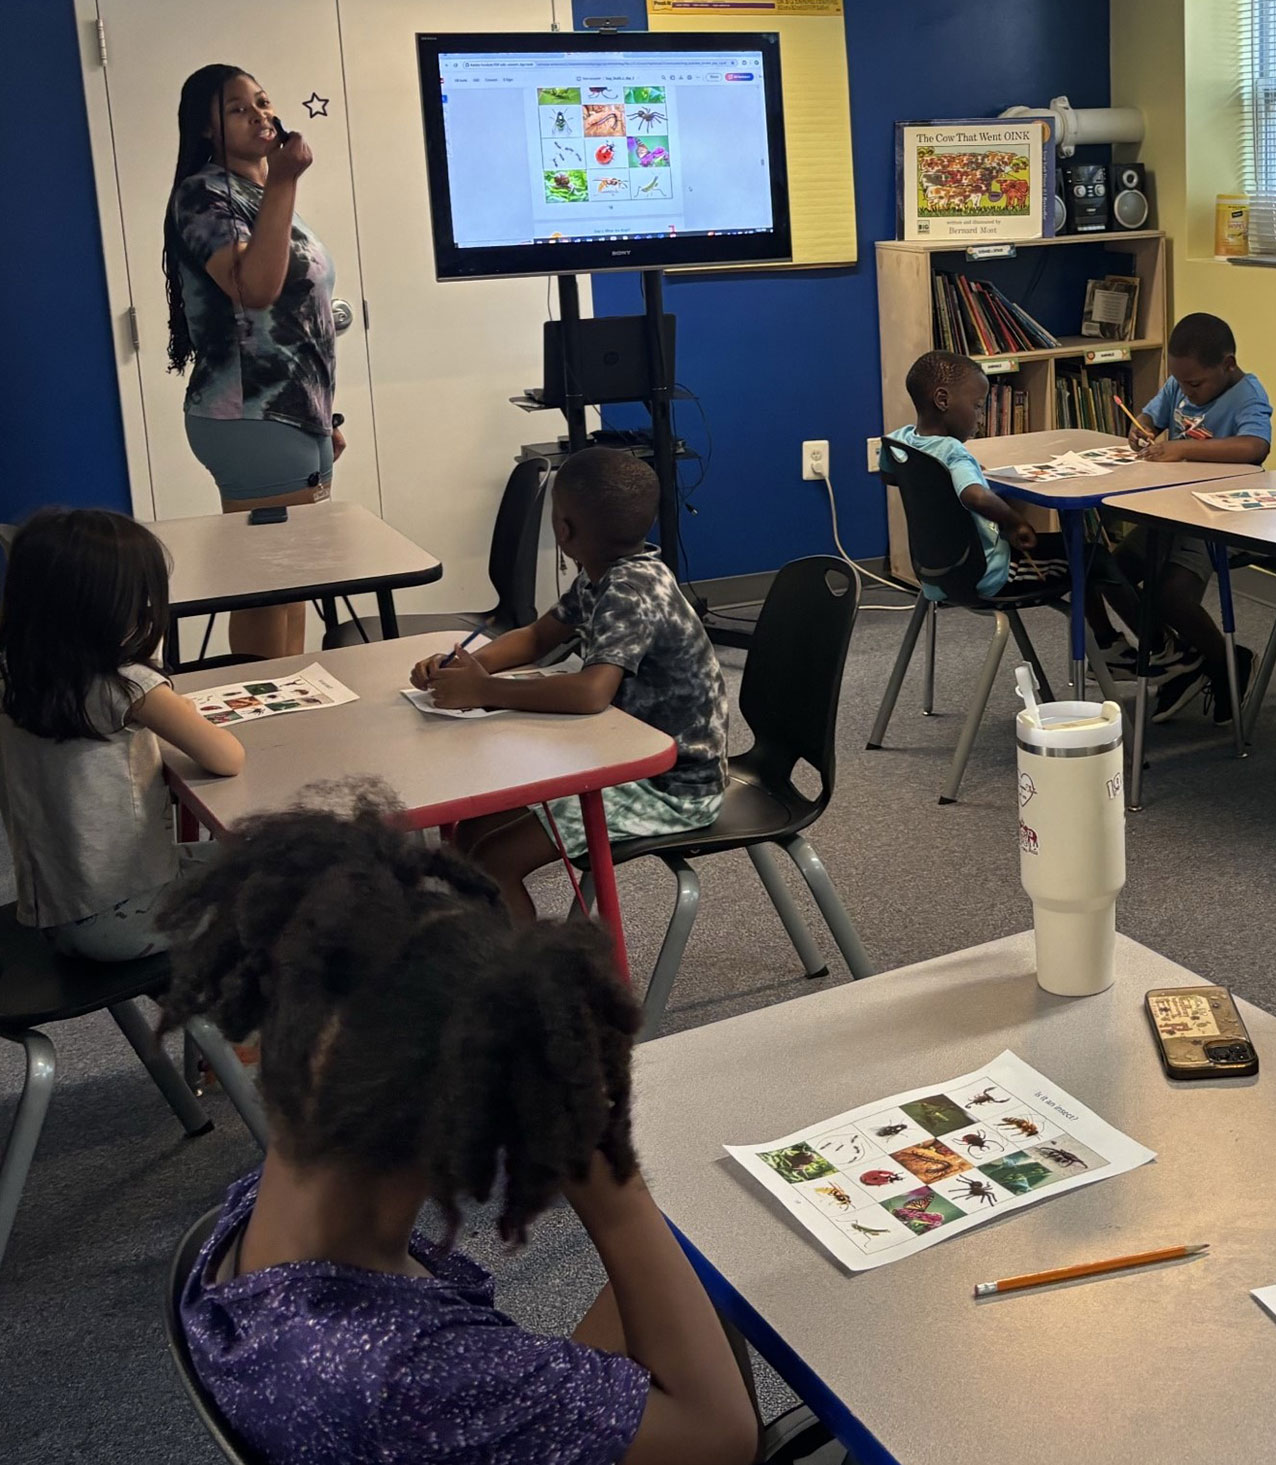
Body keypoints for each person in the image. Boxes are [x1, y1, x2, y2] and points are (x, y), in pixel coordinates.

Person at [162, 794, 758, 1465]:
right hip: (393, 1416)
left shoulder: (266, 1205)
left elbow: (486, 1405)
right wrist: (615, 1196)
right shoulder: (407, 1377)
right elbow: (722, 1437)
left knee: (705, 1256)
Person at [415, 448, 730, 921]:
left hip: (672, 788)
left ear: (564, 531)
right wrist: (462, 667)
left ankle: (525, 988)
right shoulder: (604, 574)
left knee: (490, 863)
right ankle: (488, 962)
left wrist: (485, 691)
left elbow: (591, 692)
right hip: (624, 760)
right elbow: (540, 635)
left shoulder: (630, 589)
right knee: (470, 835)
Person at [0, 509, 244, 960]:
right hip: (125, 916)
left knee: (238, 860)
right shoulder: (126, 685)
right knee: (289, 875)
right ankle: (242, 1019)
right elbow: (226, 756)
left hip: (52, 910)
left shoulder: (16, 674)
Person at [164, 64, 343, 660]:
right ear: (208, 129)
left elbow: (299, 323)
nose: (260, 114)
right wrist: (285, 180)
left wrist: (327, 416)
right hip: (250, 414)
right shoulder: (204, 192)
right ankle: (265, 733)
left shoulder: (255, 196)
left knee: (292, 586)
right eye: (238, 109)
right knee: (268, 589)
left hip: (297, 415)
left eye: (263, 102)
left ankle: (292, 717)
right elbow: (256, 290)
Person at [1111, 312, 1268, 723]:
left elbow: (1254, 446)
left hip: (1219, 515)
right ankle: (1174, 655)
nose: (1186, 391)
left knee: (1172, 595)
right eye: (1180, 383)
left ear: (1228, 365)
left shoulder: (1248, 394)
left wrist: (1183, 449)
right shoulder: (1181, 382)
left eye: (1195, 384)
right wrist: (1141, 428)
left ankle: (1223, 663)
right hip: (1169, 509)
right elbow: (1150, 416)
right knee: (1112, 571)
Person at [884, 351, 1078, 607]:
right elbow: (974, 495)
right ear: (943, 400)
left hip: (935, 575)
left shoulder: (898, 441)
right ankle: (1111, 640)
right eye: (977, 406)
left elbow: (890, 475)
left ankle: (1106, 640)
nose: (981, 416)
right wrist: (1016, 522)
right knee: (1090, 558)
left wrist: (945, 478)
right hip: (988, 574)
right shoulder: (953, 452)